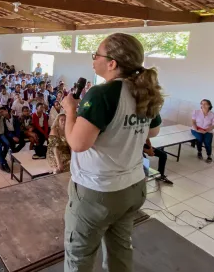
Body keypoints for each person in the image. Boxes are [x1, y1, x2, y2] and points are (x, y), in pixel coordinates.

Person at [61, 33, 163, 271]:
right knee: (120, 249)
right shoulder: (143, 91)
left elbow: (77, 143)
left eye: (96, 54)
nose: (93, 59)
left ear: (112, 63)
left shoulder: (102, 93)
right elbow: (154, 131)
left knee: (79, 256)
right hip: (134, 186)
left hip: (99, 190)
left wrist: (70, 111)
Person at [191, 99, 214, 163]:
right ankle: (199, 152)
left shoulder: (213, 115)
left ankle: (209, 156)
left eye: (205, 104)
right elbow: (193, 122)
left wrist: (206, 130)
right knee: (199, 138)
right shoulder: (196, 112)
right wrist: (197, 129)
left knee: (207, 141)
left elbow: (213, 125)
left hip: (207, 130)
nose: (203, 105)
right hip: (196, 129)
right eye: (202, 104)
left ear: (209, 105)